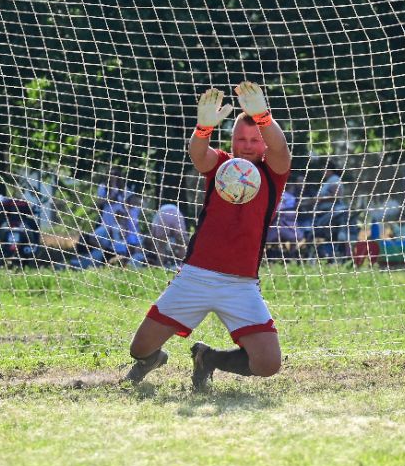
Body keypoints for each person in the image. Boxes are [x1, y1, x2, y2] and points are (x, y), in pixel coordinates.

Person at [123, 82, 291, 391]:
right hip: (195, 277)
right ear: (231, 140)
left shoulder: (274, 171)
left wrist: (264, 117)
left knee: (268, 364)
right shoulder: (221, 166)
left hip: (240, 286)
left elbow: (280, 147)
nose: (248, 145)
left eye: (255, 139)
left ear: (264, 143)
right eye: (241, 138)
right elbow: (198, 155)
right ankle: (152, 360)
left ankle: (209, 358)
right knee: (139, 349)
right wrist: (203, 128)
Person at [147, 202, 187, 268]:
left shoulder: (156, 216)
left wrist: (152, 247)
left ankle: (160, 266)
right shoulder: (175, 209)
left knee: (161, 245)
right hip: (176, 213)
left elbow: (152, 234)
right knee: (181, 244)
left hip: (163, 214)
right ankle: (183, 266)